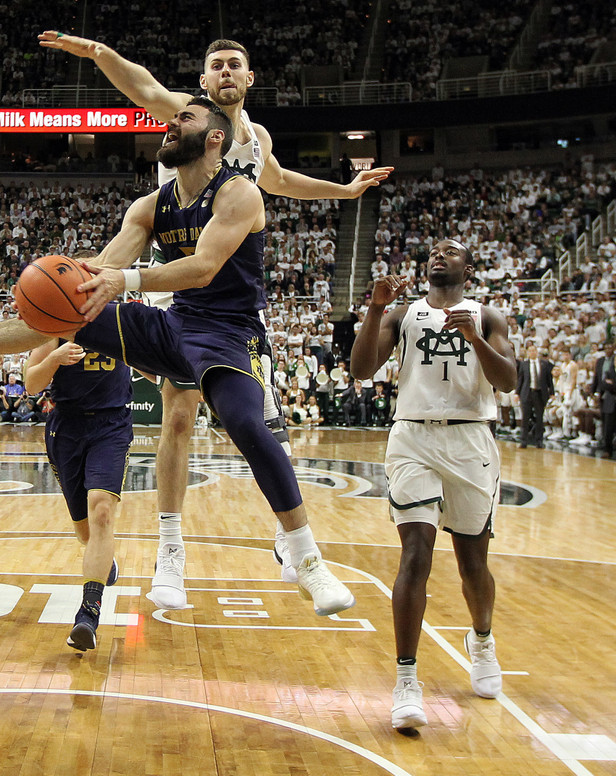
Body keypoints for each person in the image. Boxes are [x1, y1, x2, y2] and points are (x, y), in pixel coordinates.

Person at [0, 98, 355, 619]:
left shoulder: (239, 193)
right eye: (172, 116)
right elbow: (106, 267)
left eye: (185, 119)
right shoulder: (149, 205)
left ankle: (307, 557)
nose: (170, 123)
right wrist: (70, 277)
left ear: (213, 139)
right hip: (173, 325)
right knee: (68, 311)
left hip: (228, 333)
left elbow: (202, 268)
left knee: (247, 423)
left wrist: (124, 280)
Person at [38, 30, 393, 605]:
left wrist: (345, 193)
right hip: (170, 281)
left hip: (231, 291)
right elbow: (141, 84)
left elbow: (279, 182)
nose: (225, 72)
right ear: (203, 81)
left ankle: (291, 542)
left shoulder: (254, 139)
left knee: (256, 422)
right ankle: (171, 553)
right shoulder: (188, 119)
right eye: (215, 66)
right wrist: (100, 52)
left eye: (235, 65)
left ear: (249, 79)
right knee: (178, 419)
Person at [349, 238, 518, 730]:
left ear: (469, 267)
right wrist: (374, 309)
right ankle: (406, 680)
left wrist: (477, 341)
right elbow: (362, 369)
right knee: (415, 553)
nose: (439, 255)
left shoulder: (488, 315)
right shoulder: (402, 313)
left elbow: (508, 382)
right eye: (435, 251)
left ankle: (482, 639)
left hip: (471, 440)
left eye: (451, 251)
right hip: (413, 436)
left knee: (472, 567)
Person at [24, 336, 129, 650]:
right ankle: (103, 561)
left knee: (102, 511)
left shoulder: (121, 319)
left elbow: (153, 365)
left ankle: (88, 613)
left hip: (112, 423)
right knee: (85, 532)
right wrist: (55, 358)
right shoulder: (56, 323)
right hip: (66, 427)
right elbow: (31, 382)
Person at [516, 343, 553, 448]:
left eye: (534, 350)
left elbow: (549, 380)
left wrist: (552, 393)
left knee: (539, 418)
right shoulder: (524, 364)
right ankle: (523, 440)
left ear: (537, 352)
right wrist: (517, 393)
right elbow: (520, 380)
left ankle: (539, 440)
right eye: (530, 351)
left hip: (540, 393)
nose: (532, 352)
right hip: (527, 393)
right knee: (525, 418)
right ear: (528, 353)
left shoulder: (544, 364)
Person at [592, 341, 615, 456]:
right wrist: (594, 392)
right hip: (606, 396)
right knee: (607, 423)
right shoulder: (600, 362)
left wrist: (611, 384)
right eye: (606, 348)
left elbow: (610, 383)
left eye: (610, 347)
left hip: (610, 394)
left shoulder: (613, 361)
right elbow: (600, 380)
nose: (608, 350)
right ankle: (607, 447)